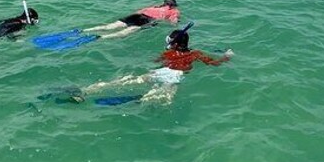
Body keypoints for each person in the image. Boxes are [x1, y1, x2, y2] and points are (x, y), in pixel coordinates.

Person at [62, 26, 232, 106]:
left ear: (172, 43)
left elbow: (157, 62)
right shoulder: (195, 54)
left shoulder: (167, 54)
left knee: (125, 81)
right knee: (166, 99)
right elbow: (214, 63)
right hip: (175, 77)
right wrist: (226, 57)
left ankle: (85, 91)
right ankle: (142, 100)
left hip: (160, 72)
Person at [83, 0, 180, 39]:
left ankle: (84, 30)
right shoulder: (174, 11)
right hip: (147, 20)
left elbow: (138, 11)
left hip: (135, 16)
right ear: (173, 5)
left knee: (109, 26)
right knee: (123, 33)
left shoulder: (154, 7)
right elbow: (173, 22)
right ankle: (100, 37)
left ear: (164, 3)